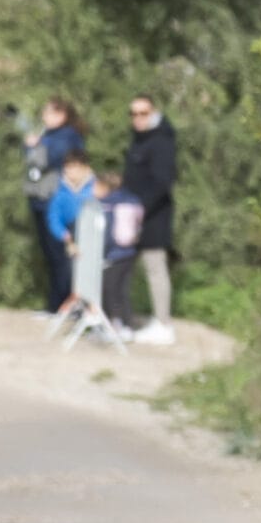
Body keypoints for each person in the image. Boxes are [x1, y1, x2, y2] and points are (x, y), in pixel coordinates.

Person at [123, 92, 177, 344]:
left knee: (155, 269)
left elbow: (162, 183)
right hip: (131, 216)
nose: (138, 118)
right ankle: (122, 317)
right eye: (133, 113)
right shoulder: (138, 140)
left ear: (153, 113)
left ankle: (163, 324)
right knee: (122, 266)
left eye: (143, 113)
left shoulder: (162, 141)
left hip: (154, 217)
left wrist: (140, 208)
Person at [24, 98, 83, 312]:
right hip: (40, 201)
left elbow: (50, 160)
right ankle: (55, 305)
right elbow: (32, 163)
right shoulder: (47, 135)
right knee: (50, 255)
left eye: (48, 113)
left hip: (56, 202)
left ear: (62, 115)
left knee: (61, 255)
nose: (44, 117)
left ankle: (66, 305)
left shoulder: (68, 137)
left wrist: (35, 146)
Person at [44, 147, 97, 316]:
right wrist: (64, 235)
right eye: (67, 168)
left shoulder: (95, 187)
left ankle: (92, 309)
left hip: (94, 237)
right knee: (70, 273)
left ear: (84, 167)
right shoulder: (60, 190)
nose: (69, 172)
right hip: (71, 237)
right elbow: (54, 217)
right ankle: (74, 307)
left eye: (73, 167)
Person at [92, 168, 144, 332]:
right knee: (123, 290)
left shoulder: (106, 206)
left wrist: (100, 252)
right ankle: (128, 324)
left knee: (110, 290)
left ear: (104, 187)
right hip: (129, 253)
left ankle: (114, 324)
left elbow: (106, 234)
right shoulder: (131, 201)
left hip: (112, 255)